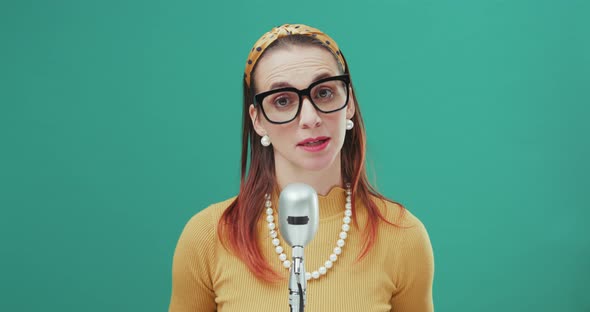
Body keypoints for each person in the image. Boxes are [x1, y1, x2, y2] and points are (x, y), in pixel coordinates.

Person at [168, 24, 434, 312]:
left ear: (349, 104)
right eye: (282, 100)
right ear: (258, 120)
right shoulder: (208, 236)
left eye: (324, 93)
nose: (310, 118)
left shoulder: (402, 235)